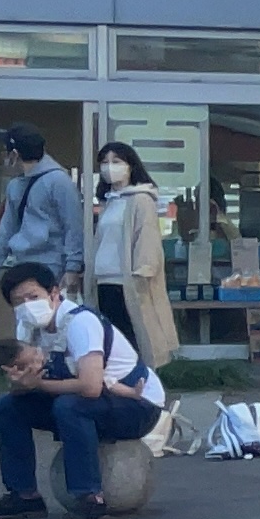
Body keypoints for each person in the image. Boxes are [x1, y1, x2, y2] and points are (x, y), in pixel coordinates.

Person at [0, 260, 166, 519]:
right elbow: (26, 386)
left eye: (33, 297)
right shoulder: (27, 330)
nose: (27, 306)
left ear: (54, 293)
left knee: (70, 406)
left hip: (137, 405)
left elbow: (91, 387)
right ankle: (23, 496)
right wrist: (20, 384)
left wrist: (39, 385)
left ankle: (89, 497)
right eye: (19, 301)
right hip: (86, 401)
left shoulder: (81, 323)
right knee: (7, 408)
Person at [85, 141, 180, 389]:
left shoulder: (141, 200)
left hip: (128, 283)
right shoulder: (110, 201)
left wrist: (142, 274)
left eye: (116, 161)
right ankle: (120, 389)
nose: (109, 167)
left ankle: (143, 390)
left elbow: (147, 239)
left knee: (134, 338)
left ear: (130, 166)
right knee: (111, 342)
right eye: (104, 162)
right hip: (104, 281)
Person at [0, 128, 80, 339]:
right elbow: (6, 230)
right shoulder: (16, 185)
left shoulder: (59, 181)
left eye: (5, 151)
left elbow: (73, 225)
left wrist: (72, 267)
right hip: (24, 264)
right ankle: (30, 358)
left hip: (52, 266)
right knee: (26, 325)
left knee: (52, 326)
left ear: (15, 154)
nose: (3, 156)